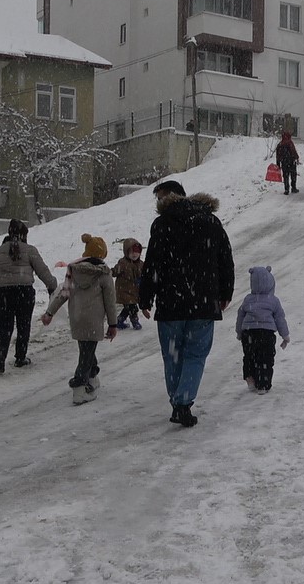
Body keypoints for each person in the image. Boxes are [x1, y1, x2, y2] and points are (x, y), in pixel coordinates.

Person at [139, 181, 235, 428]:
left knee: (172, 355)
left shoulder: (162, 225)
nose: (158, 203)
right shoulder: (210, 222)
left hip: (171, 305)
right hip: (203, 303)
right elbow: (225, 260)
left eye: (160, 198)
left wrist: (145, 297)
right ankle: (183, 401)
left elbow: (152, 264)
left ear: (171, 197)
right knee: (195, 354)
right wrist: (225, 293)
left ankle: (177, 401)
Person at [41, 234, 117, 402]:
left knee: (86, 348)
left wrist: (49, 313)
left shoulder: (73, 271)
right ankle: (79, 388)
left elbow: (63, 294)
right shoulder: (104, 273)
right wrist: (113, 324)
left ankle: (92, 376)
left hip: (76, 317)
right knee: (87, 352)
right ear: (103, 254)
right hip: (94, 319)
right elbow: (110, 301)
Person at [0, 219, 57, 374]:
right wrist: (52, 285)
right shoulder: (30, 250)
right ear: (24, 235)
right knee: (23, 324)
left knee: (4, 327)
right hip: (23, 292)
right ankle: (20, 357)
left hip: (1, 293)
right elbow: (43, 271)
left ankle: (0, 359)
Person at [236, 266, 290, 395]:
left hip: (248, 333)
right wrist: (285, 335)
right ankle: (263, 384)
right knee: (265, 358)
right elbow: (280, 318)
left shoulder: (248, 299)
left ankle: (250, 377)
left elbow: (240, 316)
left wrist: (239, 332)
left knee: (249, 356)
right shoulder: (273, 301)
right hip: (266, 334)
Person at [112, 238, 144, 330]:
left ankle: (119, 320)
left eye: (137, 252)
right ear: (126, 252)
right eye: (131, 252)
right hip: (124, 291)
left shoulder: (140, 263)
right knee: (133, 307)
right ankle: (135, 321)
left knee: (128, 308)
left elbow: (145, 272)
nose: (134, 255)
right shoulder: (123, 263)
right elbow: (115, 271)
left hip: (134, 291)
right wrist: (108, 272)